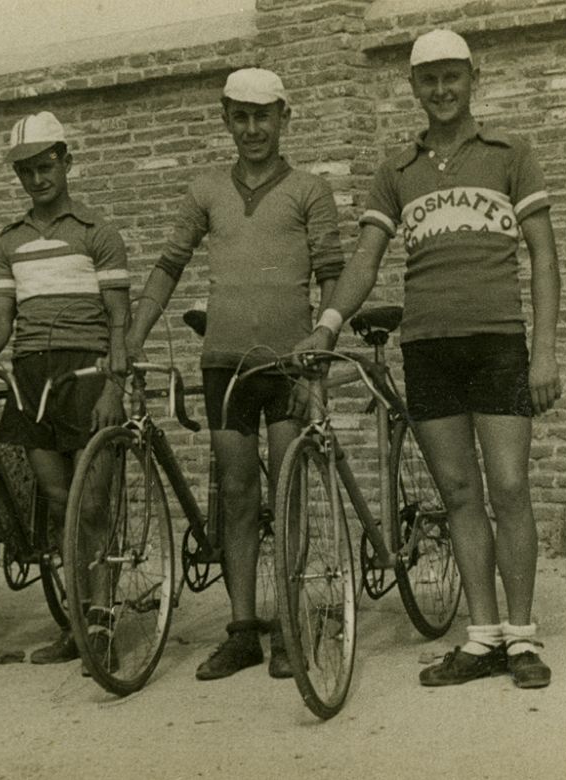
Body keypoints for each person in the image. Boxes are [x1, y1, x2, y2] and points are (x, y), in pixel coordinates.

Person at [295, 29, 561, 689]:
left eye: (452, 77)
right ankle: (482, 637)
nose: (441, 90)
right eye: (428, 79)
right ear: (412, 87)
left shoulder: (511, 156)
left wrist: (545, 351)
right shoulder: (397, 172)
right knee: (459, 494)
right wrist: (327, 325)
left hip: (498, 341)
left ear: (474, 78)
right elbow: (364, 260)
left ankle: (523, 638)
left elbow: (545, 257)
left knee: (509, 488)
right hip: (429, 349)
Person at [126, 68, 345, 681]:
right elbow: (169, 265)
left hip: (289, 363)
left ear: (283, 118)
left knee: (289, 495)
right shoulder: (204, 191)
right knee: (240, 499)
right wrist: (132, 338)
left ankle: (291, 625)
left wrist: (319, 358)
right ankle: (244, 627)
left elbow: (332, 271)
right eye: (240, 117)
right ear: (226, 119)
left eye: (263, 116)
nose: (252, 129)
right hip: (225, 363)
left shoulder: (309, 189)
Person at [0, 111, 130, 668]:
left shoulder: (96, 232)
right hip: (31, 376)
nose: (37, 179)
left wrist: (115, 384)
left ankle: (103, 626)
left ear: (66, 160)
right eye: (26, 172)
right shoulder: (9, 243)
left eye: (46, 166)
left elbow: (118, 322)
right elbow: (0, 319)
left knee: (92, 504)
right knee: (61, 504)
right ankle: (78, 623)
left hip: (86, 374)